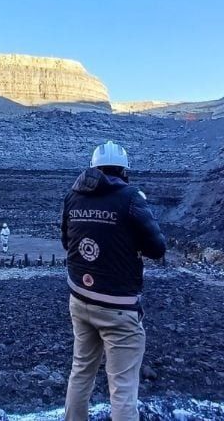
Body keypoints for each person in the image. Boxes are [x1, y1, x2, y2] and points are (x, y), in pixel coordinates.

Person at [62, 141, 167, 421]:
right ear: (124, 170)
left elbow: (66, 241)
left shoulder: (73, 196)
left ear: (93, 167)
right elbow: (157, 248)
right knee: (122, 388)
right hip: (118, 308)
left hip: (80, 297)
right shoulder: (131, 198)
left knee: (81, 371)